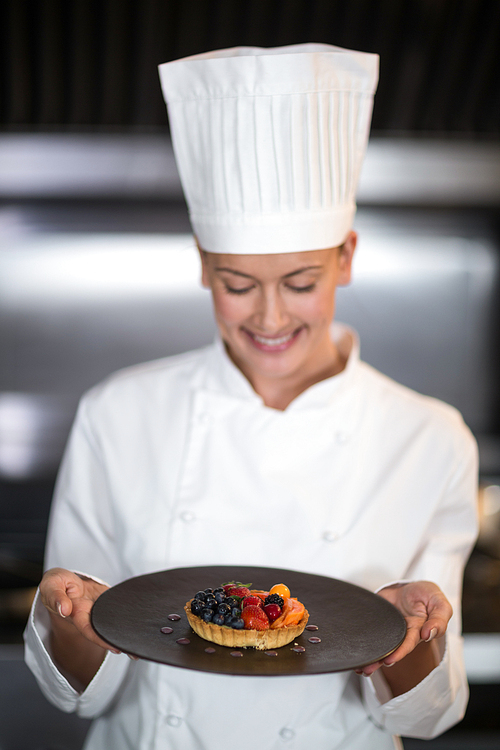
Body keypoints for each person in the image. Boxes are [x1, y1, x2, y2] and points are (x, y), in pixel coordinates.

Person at [24, 44, 478, 750]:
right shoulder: (119, 412)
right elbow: (76, 694)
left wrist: (416, 637)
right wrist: (67, 618)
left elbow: (423, 717)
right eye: (237, 285)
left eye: (301, 282)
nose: (269, 318)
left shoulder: (429, 435)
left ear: (347, 257)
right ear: (204, 266)